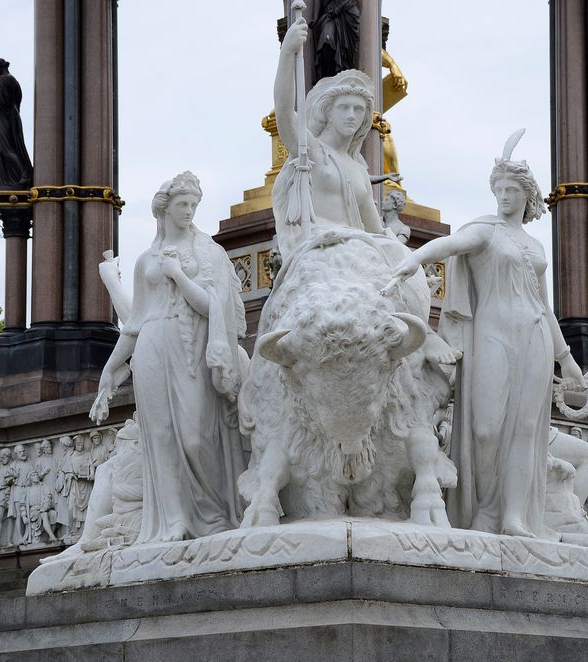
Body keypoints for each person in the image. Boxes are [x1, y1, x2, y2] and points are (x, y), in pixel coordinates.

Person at [389, 133, 588, 538]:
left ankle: (514, 517)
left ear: (526, 197)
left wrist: (566, 359)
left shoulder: (535, 248)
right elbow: (450, 244)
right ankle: (484, 509)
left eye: (512, 190)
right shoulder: (486, 230)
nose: (503, 197)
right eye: (499, 189)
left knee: (525, 429)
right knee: (486, 428)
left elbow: (544, 306)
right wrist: (414, 257)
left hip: (533, 337)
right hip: (492, 337)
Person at [91, 171, 247, 543]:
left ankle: (212, 516)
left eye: (193, 205)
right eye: (182, 205)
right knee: (159, 436)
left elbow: (213, 305)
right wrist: (110, 371)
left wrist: (178, 275)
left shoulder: (209, 252)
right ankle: (174, 520)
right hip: (151, 347)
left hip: (192, 346)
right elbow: (135, 323)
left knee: (196, 437)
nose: (189, 211)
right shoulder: (146, 260)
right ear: (164, 209)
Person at [272, 17, 385, 260]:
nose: (351, 115)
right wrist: (287, 53)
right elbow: (283, 113)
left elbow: (377, 232)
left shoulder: (359, 171)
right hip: (320, 253)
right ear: (328, 113)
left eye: (358, 109)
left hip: (357, 253)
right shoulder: (311, 150)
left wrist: (413, 261)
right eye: (343, 108)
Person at [0, 57, 33, 190]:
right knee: (14, 146)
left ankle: (24, 175)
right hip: (12, 116)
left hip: (5, 117)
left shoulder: (3, 79)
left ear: (1, 67)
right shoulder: (13, 81)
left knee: (6, 148)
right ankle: (22, 174)